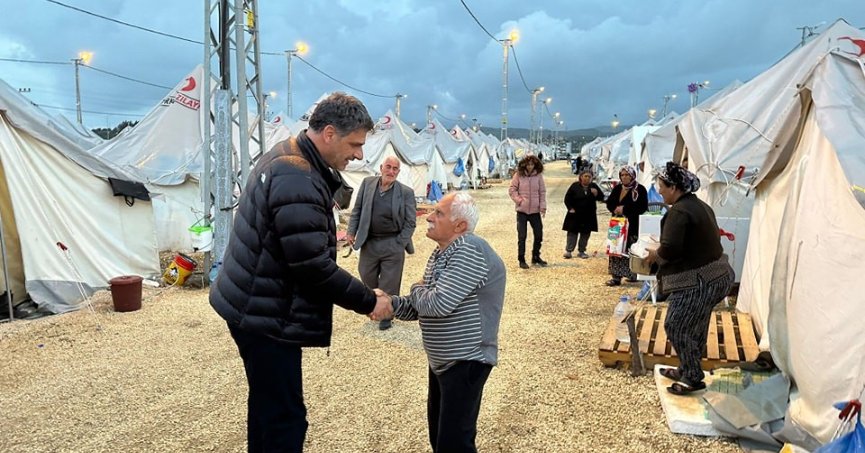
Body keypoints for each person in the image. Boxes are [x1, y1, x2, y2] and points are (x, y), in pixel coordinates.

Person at [210, 92, 393, 452]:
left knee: (267, 405)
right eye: (355, 144)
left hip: (254, 303)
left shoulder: (289, 154)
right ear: (329, 133)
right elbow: (313, 267)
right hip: (265, 315)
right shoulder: (297, 176)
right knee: (286, 419)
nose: (359, 154)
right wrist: (369, 299)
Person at [384, 192, 506, 453]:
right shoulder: (443, 253)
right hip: (444, 362)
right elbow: (424, 306)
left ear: (460, 225)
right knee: (440, 436)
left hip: (466, 361)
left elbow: (436, 303)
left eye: (438, 213)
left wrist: (418, 290)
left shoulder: (469, 249)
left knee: (454, 444)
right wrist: (391, 305)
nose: (428, 217)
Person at [646, 162, 734, 395]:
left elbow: (671, 249)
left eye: (662, 186)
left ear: (674, 187)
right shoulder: (699, 205)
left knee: (676, 324)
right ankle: (688, 368)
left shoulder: (679, 211)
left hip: (701, 280)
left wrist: (655, 254)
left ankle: (693, 377)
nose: (660, 190)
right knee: (696, 324)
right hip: (718, 274)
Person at [346, 156, 417, 330]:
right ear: (381, 167)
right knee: (366, 275)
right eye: (388, 167)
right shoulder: (367, 183)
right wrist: (351, 231)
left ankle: (387, 314)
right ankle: (376, 304)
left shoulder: (406, 192)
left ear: (398, 172)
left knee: (390, 281)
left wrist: (399, 243)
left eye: (395, 169)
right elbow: (357, 209)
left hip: (392, 242)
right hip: (370, 242)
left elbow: (410, 222)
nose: (391, 171)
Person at [604, 165, 648, 286]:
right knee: (615, 248)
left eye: (627, 175)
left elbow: (642, 206)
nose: (624, 177)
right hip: (617, 223)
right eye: (622, 175)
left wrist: (625, 209)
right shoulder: (618, 188)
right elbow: (610, 202)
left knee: (630, 248)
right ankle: (616, 277)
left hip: (632, 224)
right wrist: (615, 209)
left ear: (632, 175)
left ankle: (632, 274)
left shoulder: (640, 190)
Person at [508, 154, 547, 269]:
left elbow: (542, 192)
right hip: (522, 211)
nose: (530, 167)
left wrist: (542, 206)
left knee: (539, 235)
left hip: (535, 210)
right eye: (528, 164)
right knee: (522, 236)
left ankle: (536, 256)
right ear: (524, 165)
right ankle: (521, 259)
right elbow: (512, 189)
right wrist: (519, 200)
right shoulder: (518, 175)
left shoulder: (538, 176)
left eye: (532, 164)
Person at [562, 168, 605, 259]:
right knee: (572, 232)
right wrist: (570, 208)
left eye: (589, 177)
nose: (587, 178)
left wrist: (596, 193)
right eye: (585, 176)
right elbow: (567, 198)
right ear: (581, 177)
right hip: (575, 214)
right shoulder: (574, 186)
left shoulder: (594, 186)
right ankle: (569, 251)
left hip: (588, 215)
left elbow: (602, 198)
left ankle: (582, 251)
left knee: (585, 233)